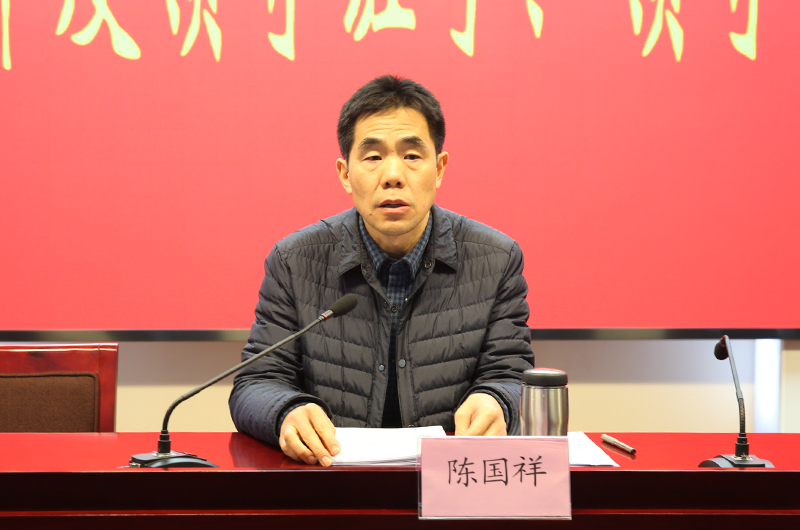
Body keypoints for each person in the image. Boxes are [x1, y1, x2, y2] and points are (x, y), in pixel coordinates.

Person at [229, 75, 534, 466]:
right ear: (345, 173)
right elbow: (256, 382)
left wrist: (497, 400)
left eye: (412, 156)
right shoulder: (294, 261)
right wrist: (285, 411)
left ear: (439, 169)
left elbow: (512, 373)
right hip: (333, 481)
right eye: (373, 157)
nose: (392, 175)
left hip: (450, 480)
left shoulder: (496, 259)